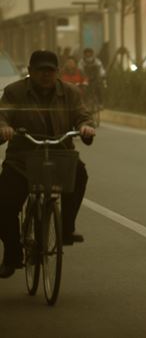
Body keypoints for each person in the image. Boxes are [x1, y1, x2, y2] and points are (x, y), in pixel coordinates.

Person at [0, 50, 96, 278]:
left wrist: (86, 127)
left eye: (50, 71)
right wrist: (4, 127)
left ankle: (67, 227)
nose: (45, 75)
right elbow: (2, 114)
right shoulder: (14, 92)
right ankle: (13, 254)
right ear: (30, 72)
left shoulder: (70, 93)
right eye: (40, 70)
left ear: (57, 72)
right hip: (22, 159)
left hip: (59, 155)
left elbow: (83, 115)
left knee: (80, 174)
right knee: (3, 206)